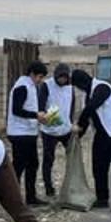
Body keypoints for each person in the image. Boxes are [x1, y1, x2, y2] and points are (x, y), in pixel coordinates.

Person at [71, 69, 111, 213]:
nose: (78, 89)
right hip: (102, 133)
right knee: (98, 165)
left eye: (77, 85)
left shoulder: (102, 87)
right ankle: (102, 198)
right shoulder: (87, 95)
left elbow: (91, 107)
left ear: (82, 83)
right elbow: (88, 118)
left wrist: (78, 124)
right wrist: (78, 135)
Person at [6, 60, 49, 205]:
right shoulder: (22, 86)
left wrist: (39, 118)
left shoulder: (31, 86)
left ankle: (31, 197)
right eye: (39, 77)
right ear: (32, 74)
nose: (40, 80)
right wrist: (36, 115)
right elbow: (16, 110)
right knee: (19, 166)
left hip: (29, 133)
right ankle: (14, 199)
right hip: (19, 133)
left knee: (32, 164)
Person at [39, 63, 75, 197]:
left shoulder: (70, 87)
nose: (62, 80)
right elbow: (41, 106)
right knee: (48, 160)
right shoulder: (46, 85)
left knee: (72, 158)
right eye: (60, 78)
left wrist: (70, 122)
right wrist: (44, 118)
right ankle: (49, 188)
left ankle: (71, 186)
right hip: (50, 130)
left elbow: (71, 106)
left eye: (65, 78)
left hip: (66, 129)